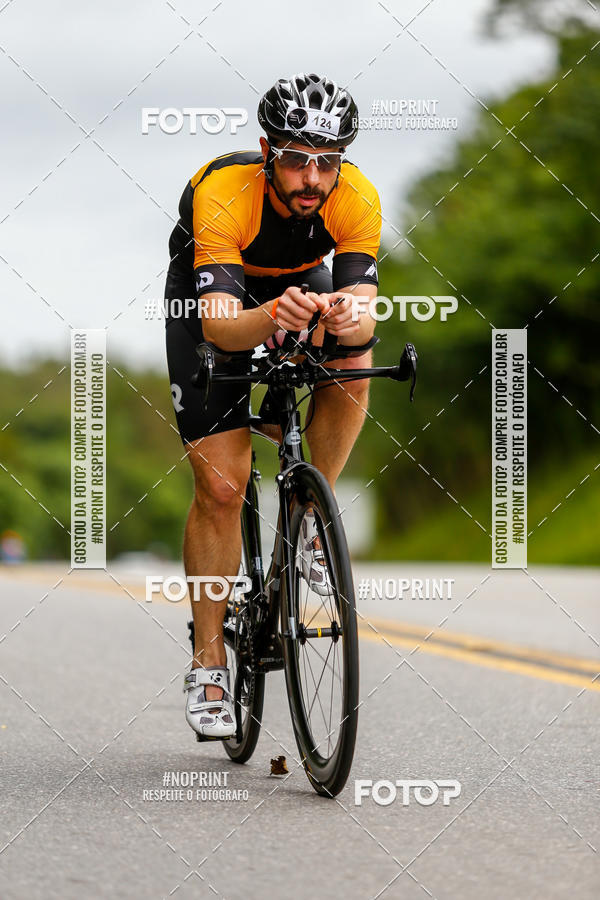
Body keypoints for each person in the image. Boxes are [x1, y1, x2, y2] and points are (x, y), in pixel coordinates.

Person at [164, 72, 381, 740]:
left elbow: (365, 311)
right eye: (295, 159)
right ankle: (208, 663)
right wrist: (273, 318)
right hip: (214, 302)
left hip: (297, 282)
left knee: (355, 358)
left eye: (328, 162)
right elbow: (222, 327)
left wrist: (344, 316)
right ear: (267, 152)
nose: (313, 178)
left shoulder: (358, 197)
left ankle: (310, 515)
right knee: (223, 487)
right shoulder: (223, 192)